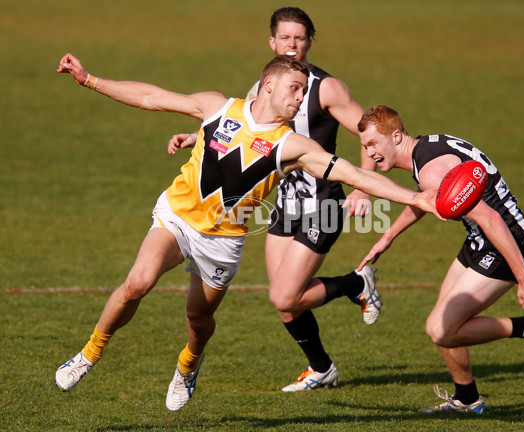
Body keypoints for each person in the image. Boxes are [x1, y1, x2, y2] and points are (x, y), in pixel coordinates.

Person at [54, 54, 439, 411]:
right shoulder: (218, 107)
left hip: (222, 242)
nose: (300, 97)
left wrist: (415, 198)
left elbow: (351, 173)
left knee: (197, 321)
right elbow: (152, 97)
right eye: (294, 88)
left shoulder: (292, 145)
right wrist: (89, 79)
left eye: (304, 91)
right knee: (138, 282)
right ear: (268, 85)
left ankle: (188, 365)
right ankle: (89, 354)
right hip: (178, 217)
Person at [167, 7, 379, 392]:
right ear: (273, 43)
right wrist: (192, 135)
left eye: (299, 38)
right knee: (285, 303)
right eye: (285, 39)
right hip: (285, 202)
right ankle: (321, 367)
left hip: (324, 204)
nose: (292, 45)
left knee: (284, 293)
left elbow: (369, 131)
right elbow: (237, 127)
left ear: (310, 42)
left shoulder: (326, 89)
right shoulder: (267, 84)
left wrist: (364, 187)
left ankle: (354, 284)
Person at [356, 105, 524, 414]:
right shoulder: (426, 150)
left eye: (373, 144)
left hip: (506, 242)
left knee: (441, 329)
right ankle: (467, 399)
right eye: (364, 146)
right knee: (443, 323)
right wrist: (388, 237)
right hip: (480, 241)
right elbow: (428, 197)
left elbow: (492, 218)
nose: (369, 153)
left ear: (396, 136)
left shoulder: (430, 168)